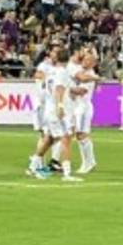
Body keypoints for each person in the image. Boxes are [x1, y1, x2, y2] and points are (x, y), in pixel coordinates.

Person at [27, 46, 82, 182]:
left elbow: (54, 88)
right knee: (66, 139)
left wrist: (75, 91)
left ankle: (33, 167)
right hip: (56, 110)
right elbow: (58, 89)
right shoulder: (62, 72)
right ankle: (67, 174)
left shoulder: (51, 71)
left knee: (49, 139)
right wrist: (60, 106)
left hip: (49, 109)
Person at [69, 47, 101, 175]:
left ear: (93, 63)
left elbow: (81, 91)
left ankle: (88, 163)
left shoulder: (90, 75)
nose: (84, 61)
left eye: (88, 60)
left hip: (83, 107)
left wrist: (66, 88)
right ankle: (89, 162)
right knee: (79, 135)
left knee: (82, 135)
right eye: (84, 59)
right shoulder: (81, 71)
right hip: (78, 107)